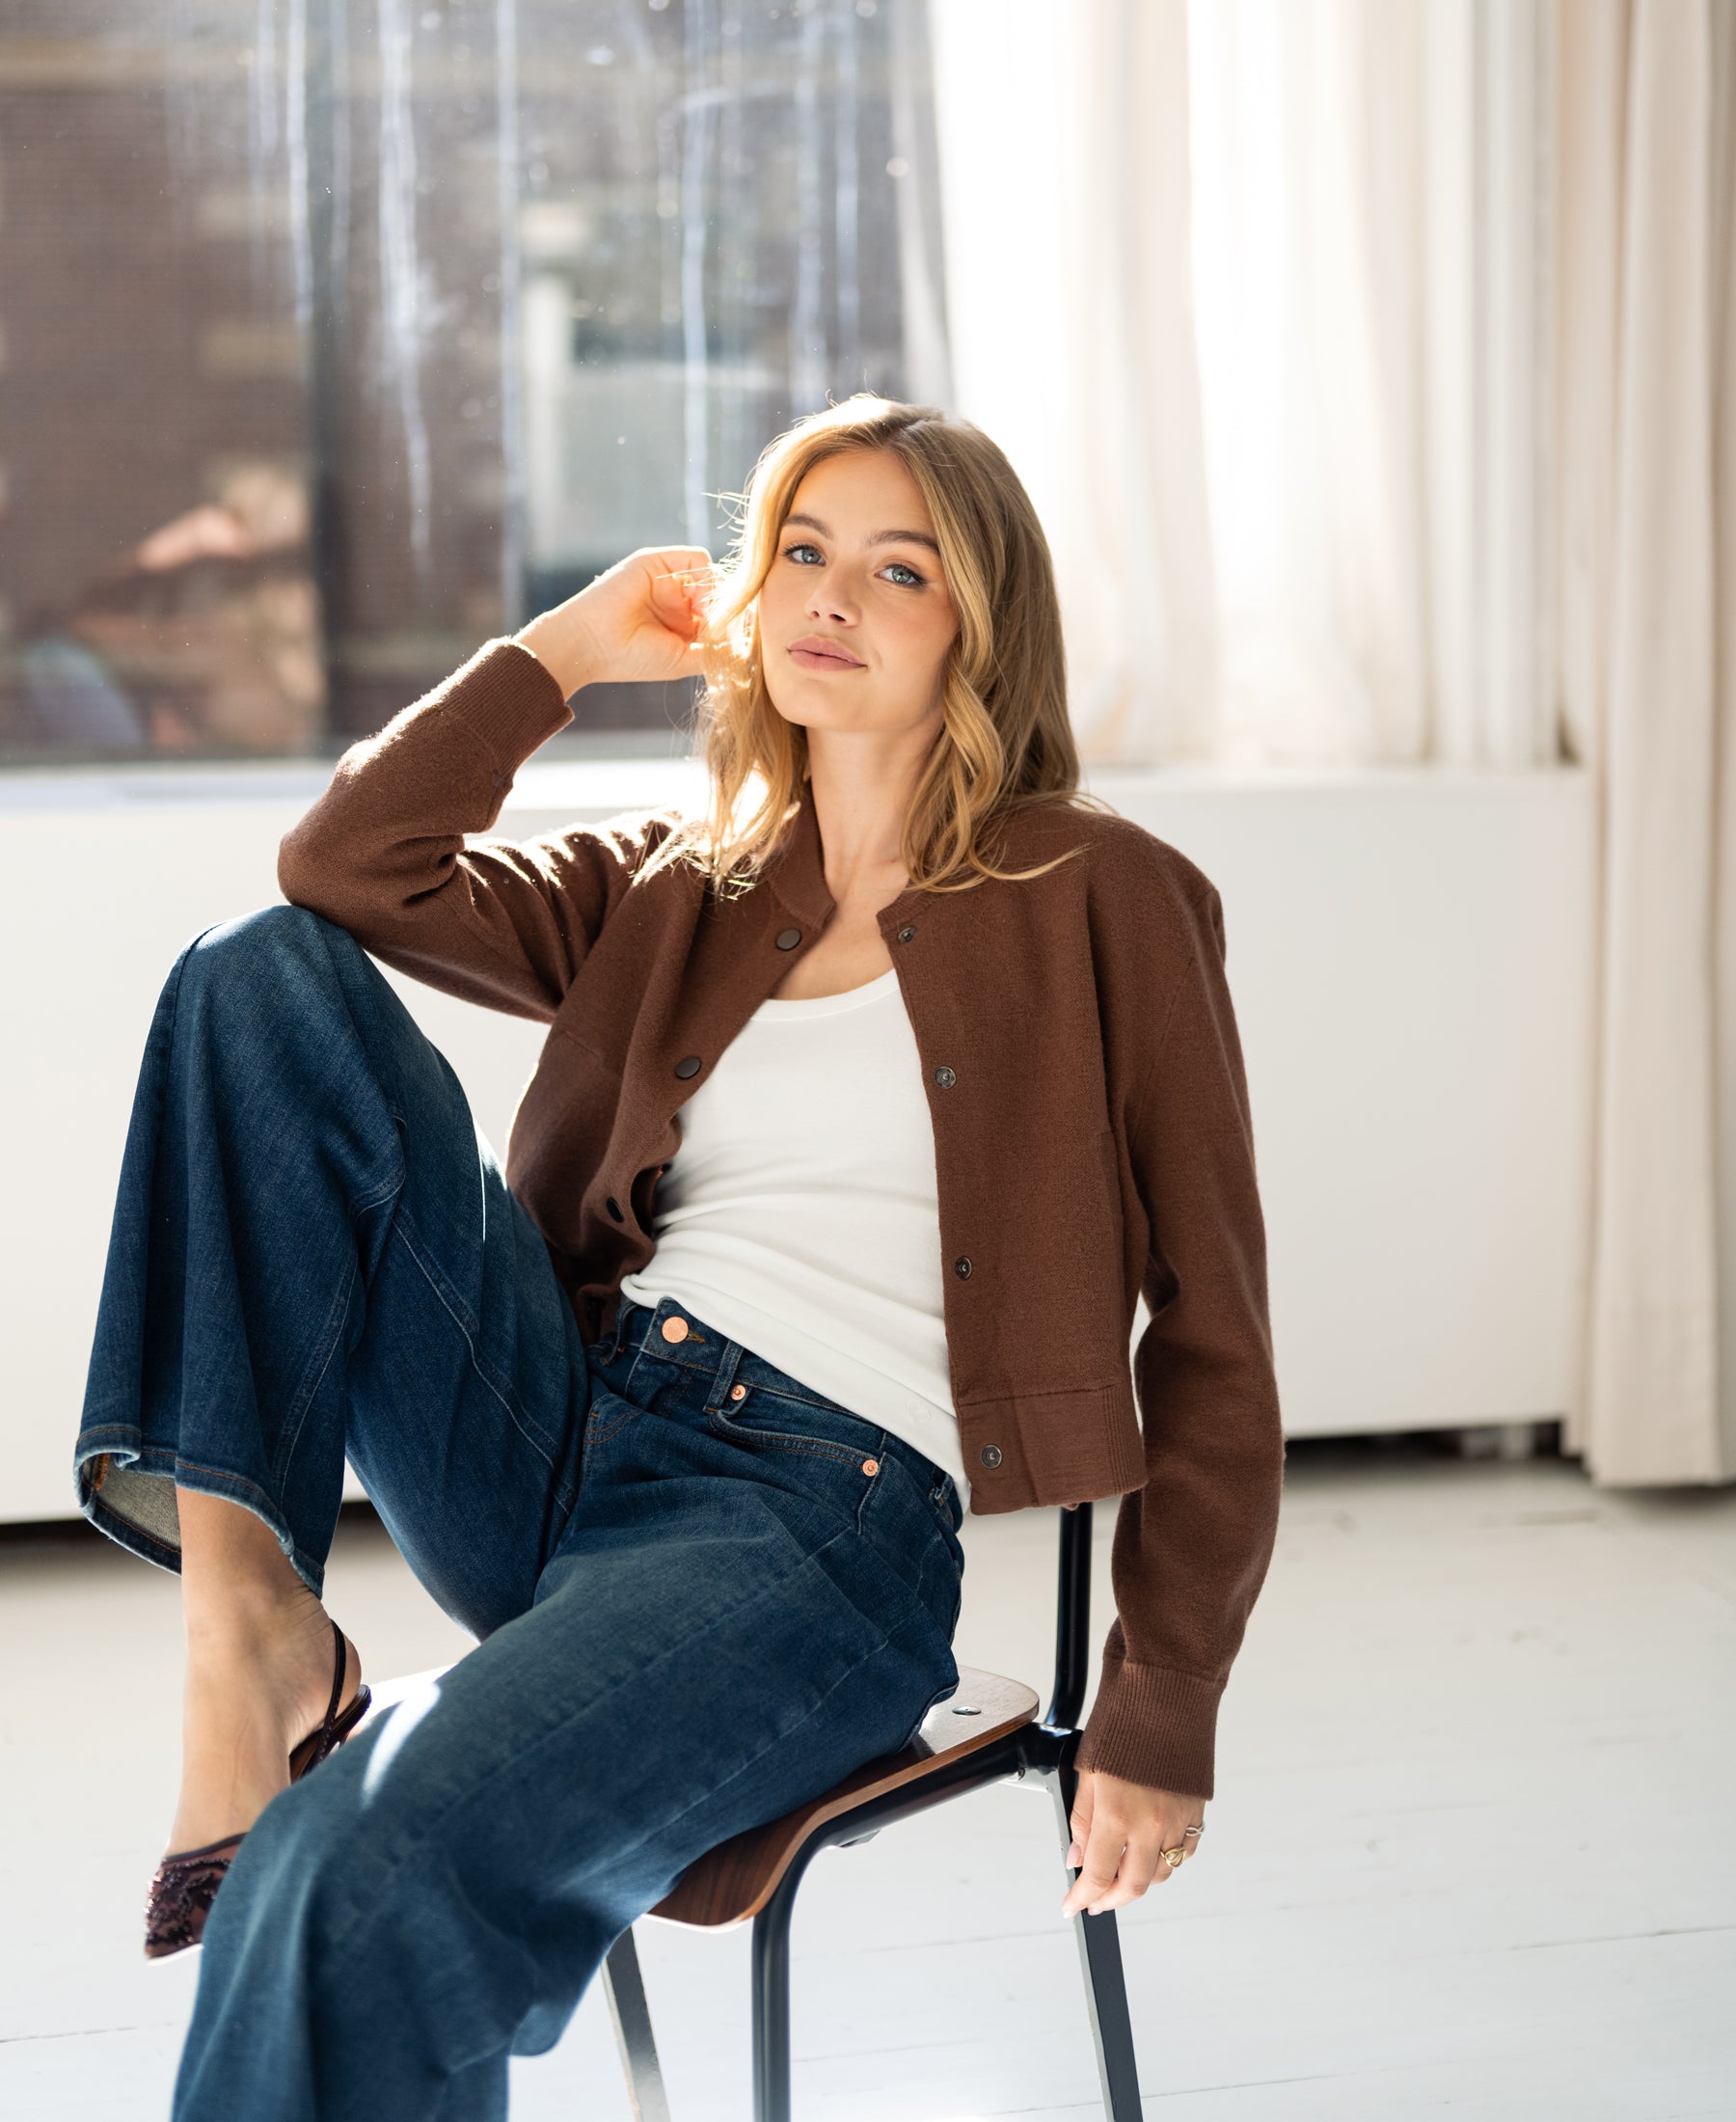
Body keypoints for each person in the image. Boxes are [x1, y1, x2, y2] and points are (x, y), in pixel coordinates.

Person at [72, 394, 1285, 2119]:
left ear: (981, 627)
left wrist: (1163, 1708)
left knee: (360, 1868)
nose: (830, 597)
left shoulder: (1109, 895)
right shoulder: (684, 881)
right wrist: (564, 652)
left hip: (814, 1523)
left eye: (898, 569)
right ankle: (248, 1621)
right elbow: (341, 868)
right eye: (801, 549)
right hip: (560, 1428)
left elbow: (1219, 1336)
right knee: (255, 970)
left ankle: (295, 1723)